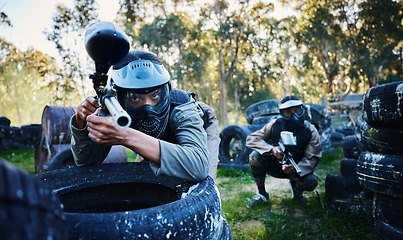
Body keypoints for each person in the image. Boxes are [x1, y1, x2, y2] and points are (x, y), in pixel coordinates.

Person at [70, 50, 219, 182]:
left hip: (201, 129)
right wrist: (81, 122)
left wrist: (126, 136)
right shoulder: (114, 109)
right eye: (135, 98)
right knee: (145, 184)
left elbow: (198, 166)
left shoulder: (182, 108)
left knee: (204, 187)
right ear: (120, 99)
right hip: (154, 140)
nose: (149, 108)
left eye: (155, 96)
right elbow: (86, 164)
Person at [246, 95, 322, 207]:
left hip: (298, 169)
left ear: (302, 109)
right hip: (276, 166)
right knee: (255, 157)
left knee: (311, 181)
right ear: (282, 113)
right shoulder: (274, 125)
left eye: (296, 110)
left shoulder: (310, 130)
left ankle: (297, 191)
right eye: (288, 112)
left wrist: (294, 170)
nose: (294, 116)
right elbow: (251, 139)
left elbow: (312, 158)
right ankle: (262, 194)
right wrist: (271, 149)